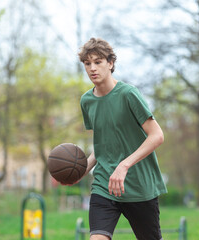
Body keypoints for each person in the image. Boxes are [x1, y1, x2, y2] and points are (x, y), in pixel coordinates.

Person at [78, 37, 167, 240]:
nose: (92, 68)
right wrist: (81, 170)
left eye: (98, 62)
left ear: (110, 63)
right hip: (104, 184)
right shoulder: (87, 101)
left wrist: (124, 165)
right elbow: (102, 146)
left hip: (138, 186)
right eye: (87, 63)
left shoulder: (128, 94)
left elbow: (157, 136)